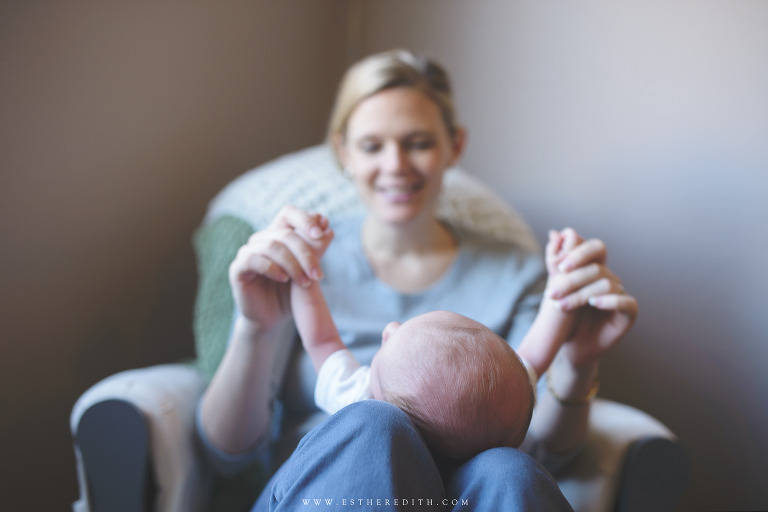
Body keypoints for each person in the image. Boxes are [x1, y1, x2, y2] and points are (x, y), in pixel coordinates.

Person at [197, 49, 638, 511]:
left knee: (510, 471)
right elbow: (228, 455)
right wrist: (258, 326)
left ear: (455, 146)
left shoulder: (514, 272)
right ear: (343, 151)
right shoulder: (297, 256)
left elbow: (544, 447)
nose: (395, 164)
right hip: (323, 493)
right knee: (373, 427)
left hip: (461, 501)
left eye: (418, 142)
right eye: (372, 145)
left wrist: (576, 361)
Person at [289, 218, 578, 462]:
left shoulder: (360, 398)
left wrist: (305, 274)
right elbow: (534, 355)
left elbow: (321, 339)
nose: (391, 327)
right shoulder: (493, 411)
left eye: (395, 335)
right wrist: (560, 291)